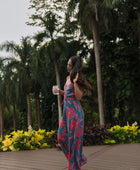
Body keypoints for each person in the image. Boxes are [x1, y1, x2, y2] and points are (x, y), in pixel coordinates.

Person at [57, 56, 92, 170]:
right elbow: (68, 94)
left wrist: (76, 82)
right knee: (61, 137)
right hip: (66, 113)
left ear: (75, 66)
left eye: (70, 65)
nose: (67, 66)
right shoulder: (68, 77)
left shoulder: (78, 78)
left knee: (74, 141)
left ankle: (74, 166)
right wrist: (60, 92)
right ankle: (78, 159)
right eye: (67, 64)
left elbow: (78, 96)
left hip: (75, 114)